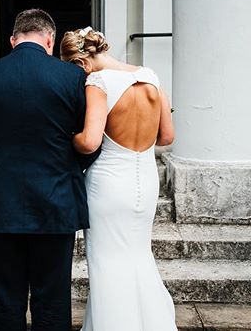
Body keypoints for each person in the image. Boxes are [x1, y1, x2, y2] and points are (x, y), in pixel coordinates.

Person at [0, 9, 96, 330]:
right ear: (50, 40)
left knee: (6, 302)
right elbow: (87, 140)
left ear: (13, 40)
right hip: (56, 201)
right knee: (52, 300)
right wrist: (66, 168)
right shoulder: (72, 77)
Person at [60, 27, 176, 331]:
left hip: (109, 185)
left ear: (81, 63)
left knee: (107, 263)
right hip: (145, 181)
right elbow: (167, 136)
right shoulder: (151, 76)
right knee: (139, 256)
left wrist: (68, 138)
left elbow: (89, 142)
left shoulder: (99, 82)